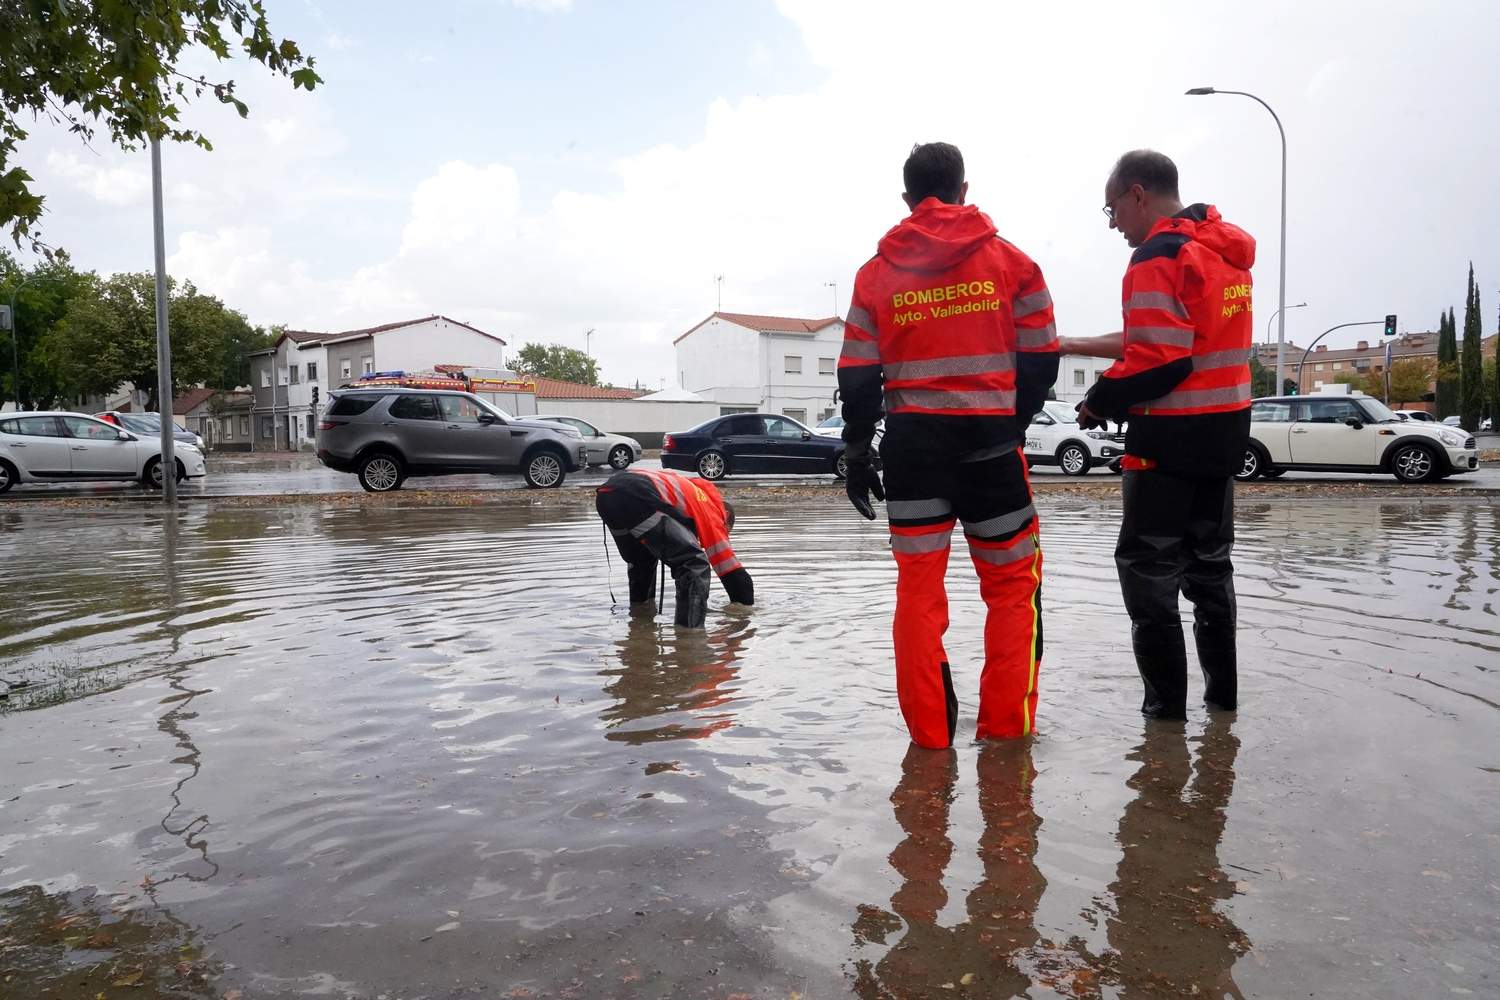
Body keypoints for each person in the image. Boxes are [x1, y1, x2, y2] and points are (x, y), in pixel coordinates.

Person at [838, 141, 1060, 749]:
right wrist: (1010, 425)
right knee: (1014, 591)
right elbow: (1043, 358)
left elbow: (857, 378)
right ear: (964, 189)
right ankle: (1005, 742)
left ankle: (931, 745)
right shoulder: (1013, 264)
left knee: (917, 591)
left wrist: (856, 453)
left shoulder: (874, 276)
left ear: (908, 200)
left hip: (913, 458)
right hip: (992, 454)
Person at [1063, 149, 1255, 719]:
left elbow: (1160, 361)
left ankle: (1163, 725)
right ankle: (1223, 706)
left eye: (1113, 209)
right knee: (1211, 571)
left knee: (1149, 581)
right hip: (1221, 440)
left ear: (1137, 194)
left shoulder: (1156, 254)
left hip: (1167, 445)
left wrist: (1099, 400)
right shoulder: (1221, 252)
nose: (1115, 224)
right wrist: (1073, 344)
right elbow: (1166, 337)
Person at [596, 467, 753, 628]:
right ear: (725, 519)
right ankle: (689, 640)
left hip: (606, 496)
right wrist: (745, 612)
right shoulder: (712, 510)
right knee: (693, 564)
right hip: (637, 496)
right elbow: (733, 573)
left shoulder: (686, 495)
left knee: (642, 562)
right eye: (725, 532)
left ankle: (639, 622)